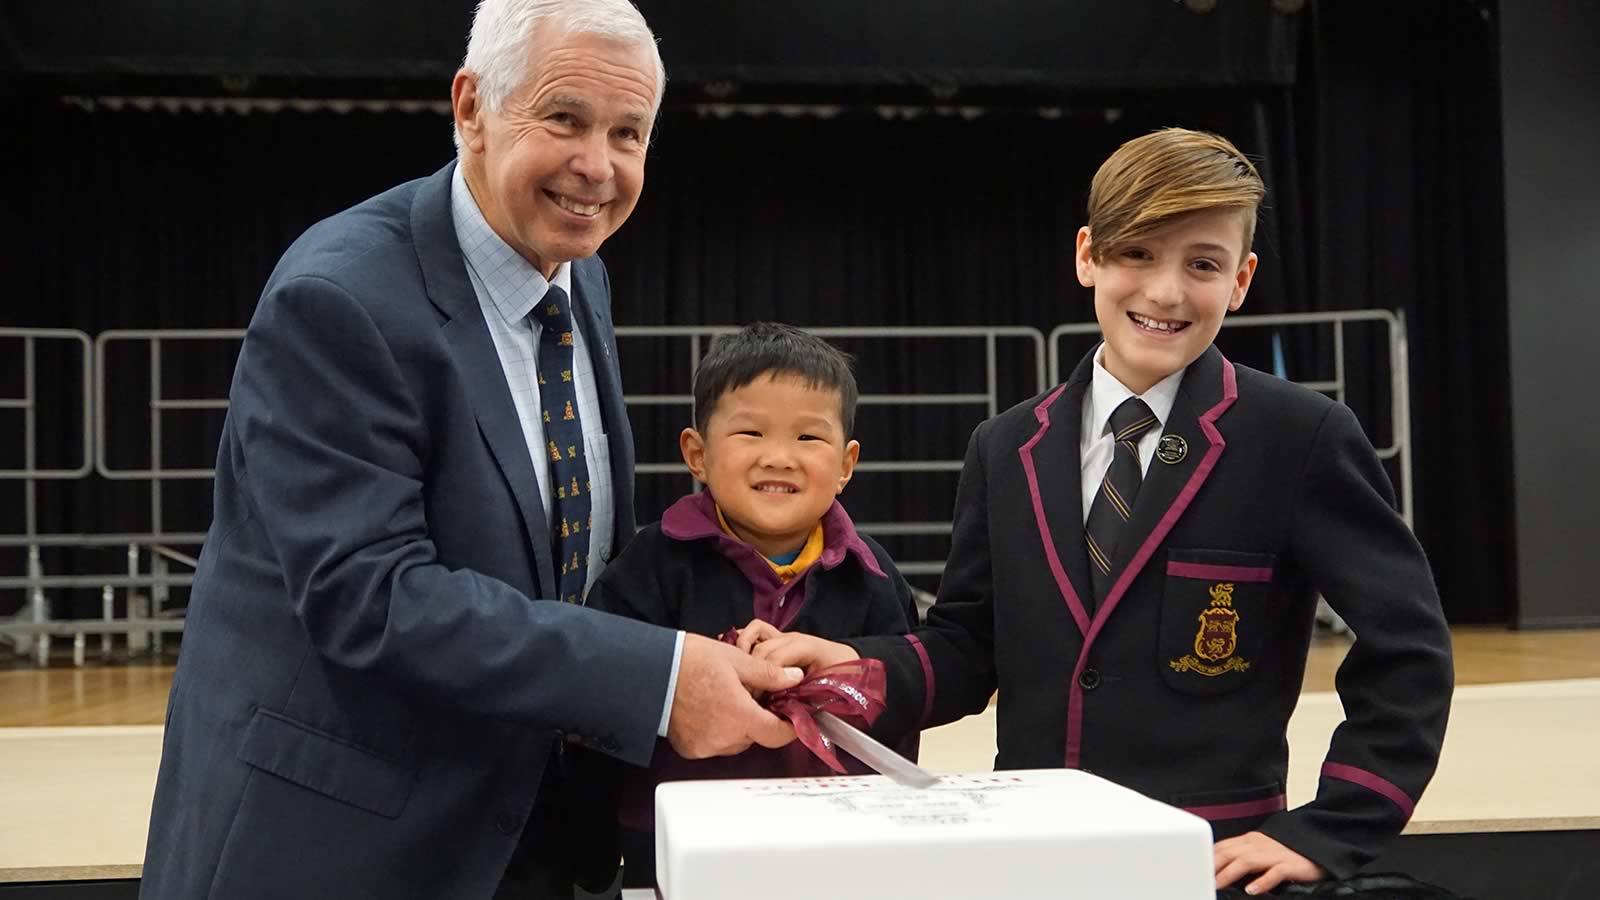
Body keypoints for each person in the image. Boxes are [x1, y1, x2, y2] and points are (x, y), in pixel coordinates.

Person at [139, 2, 802, 898]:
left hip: (526, 846)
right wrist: (659, 678)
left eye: (628, 133)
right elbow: (371, 600)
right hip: (343, 851)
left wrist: (730, 636)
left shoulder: (582, 273)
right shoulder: (339, 298)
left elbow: (563, 570)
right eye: (564, 118)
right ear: (470, 107)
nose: (597, 167)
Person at [742, 128, 1454, 895]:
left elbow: (1408, 648)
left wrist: (1332, 828)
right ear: (1088, 255)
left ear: (1242, 279)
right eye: (1137, 253)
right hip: (1035, 856)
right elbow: (971, 642)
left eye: (1203, 264)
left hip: (1206, 862)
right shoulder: (1006, 446)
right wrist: (856, 668)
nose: (1166, 291)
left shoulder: (1298, 437)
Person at [569, 322, 921, 890]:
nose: (778, 457)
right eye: (750, 433)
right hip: (674, 852)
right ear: (697, 453)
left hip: (837, 851)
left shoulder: (872, 576)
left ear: (847, 464)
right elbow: (601, 702)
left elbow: (903, 700)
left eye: (808, 439)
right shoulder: (650, 566)